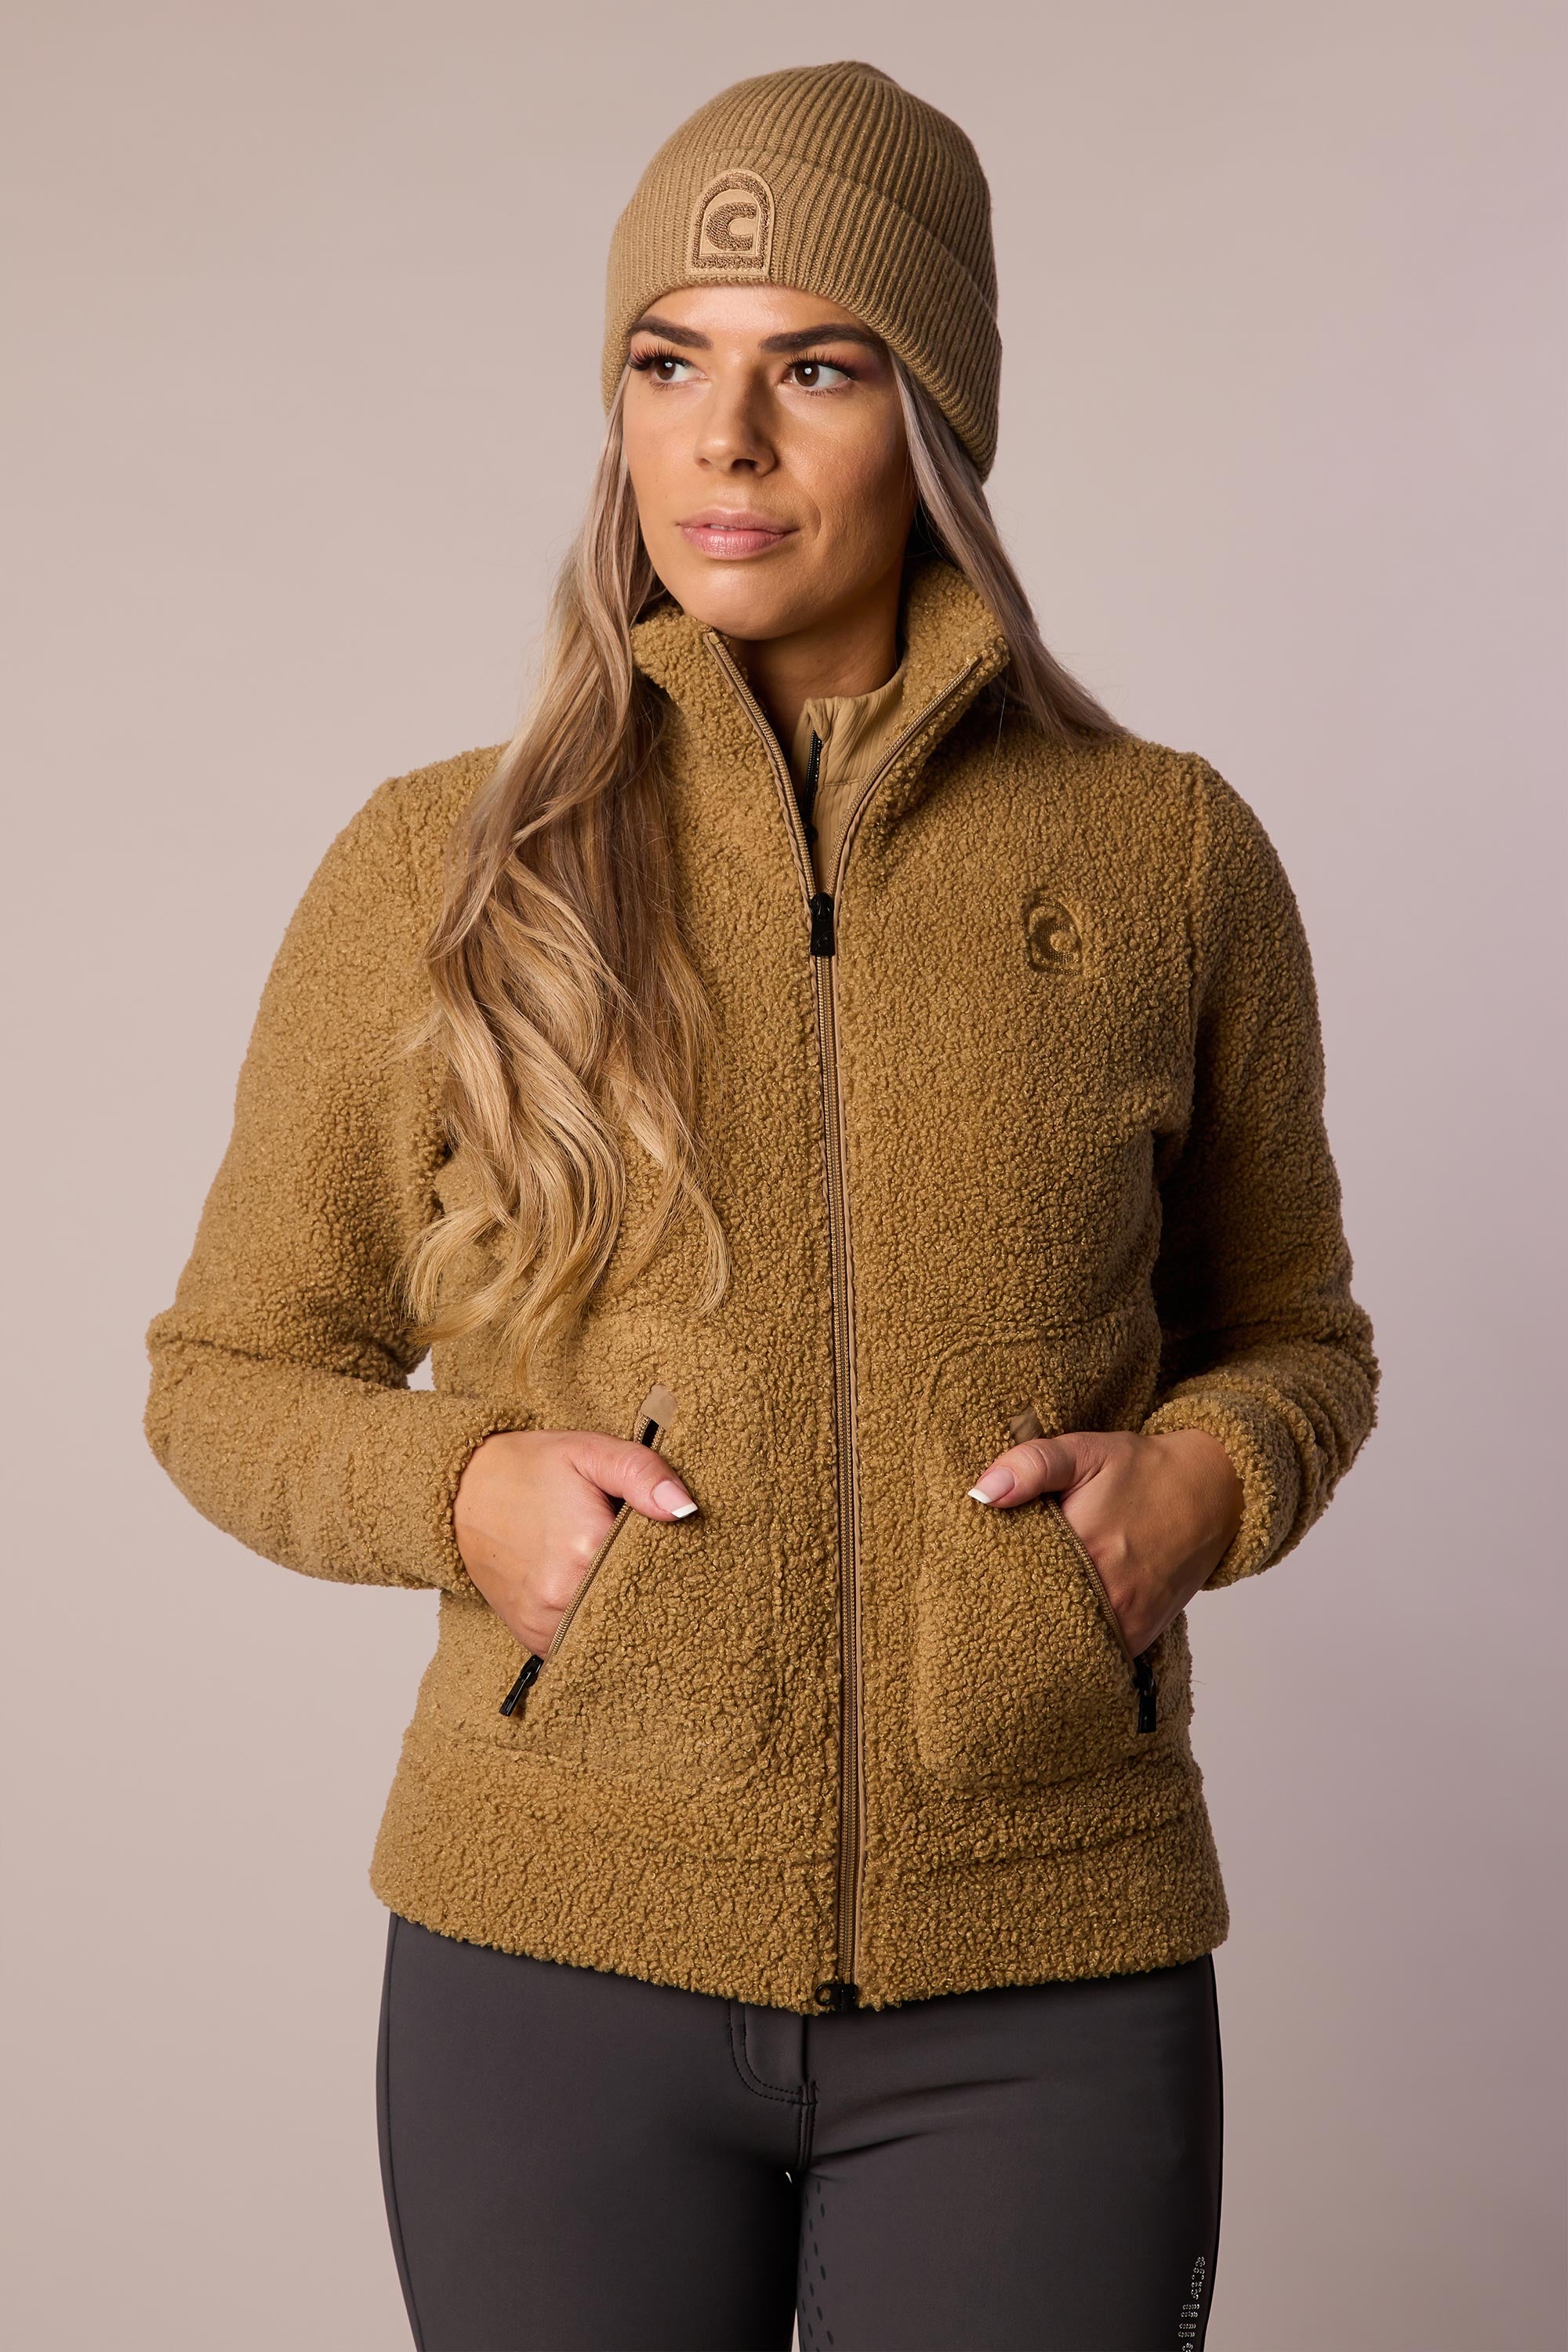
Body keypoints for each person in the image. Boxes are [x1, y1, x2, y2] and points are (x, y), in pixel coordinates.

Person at [143, 58, 1378, 2352]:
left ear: (935, 418)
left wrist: (1204, 1483)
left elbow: (1298, 1327)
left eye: (815, 367)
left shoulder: (1167, 855)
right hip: (551, 1964)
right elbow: (223, 1373)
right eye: (667, 361)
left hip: (1045, 1967)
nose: (724, 440)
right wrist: (461, 1490)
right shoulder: (445, 870)